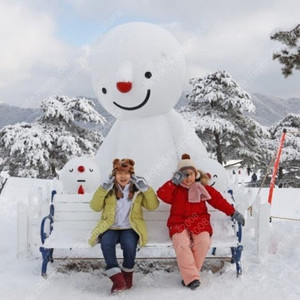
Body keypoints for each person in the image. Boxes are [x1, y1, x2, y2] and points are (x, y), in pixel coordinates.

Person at [157, 154, 245, 290]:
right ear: (178, 176)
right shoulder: (175, 189)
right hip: (178, 222)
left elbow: (217, 200)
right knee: (181, 243)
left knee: (203, 242)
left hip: (199, 222)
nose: (187, 178)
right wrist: (172, 183)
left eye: (190, 174)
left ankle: (190, 276)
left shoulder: (201, 187)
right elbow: (162, 194)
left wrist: (233, 212)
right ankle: (192, 278)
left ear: (195, 174)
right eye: (183, 174)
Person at [88, 158, 159, 293]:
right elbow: (95, 207)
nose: (123, 176)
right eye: (119, 173)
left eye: (126, 173)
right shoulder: (108, 190)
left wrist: (146, 189)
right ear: (114, 175)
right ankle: (117, 279)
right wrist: (102, 189)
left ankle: (127, 274)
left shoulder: (137, 191)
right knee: (106, 243)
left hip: (130, 227)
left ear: (131, 175)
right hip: (111, 226)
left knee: (129, 245)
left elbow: (153, 206)